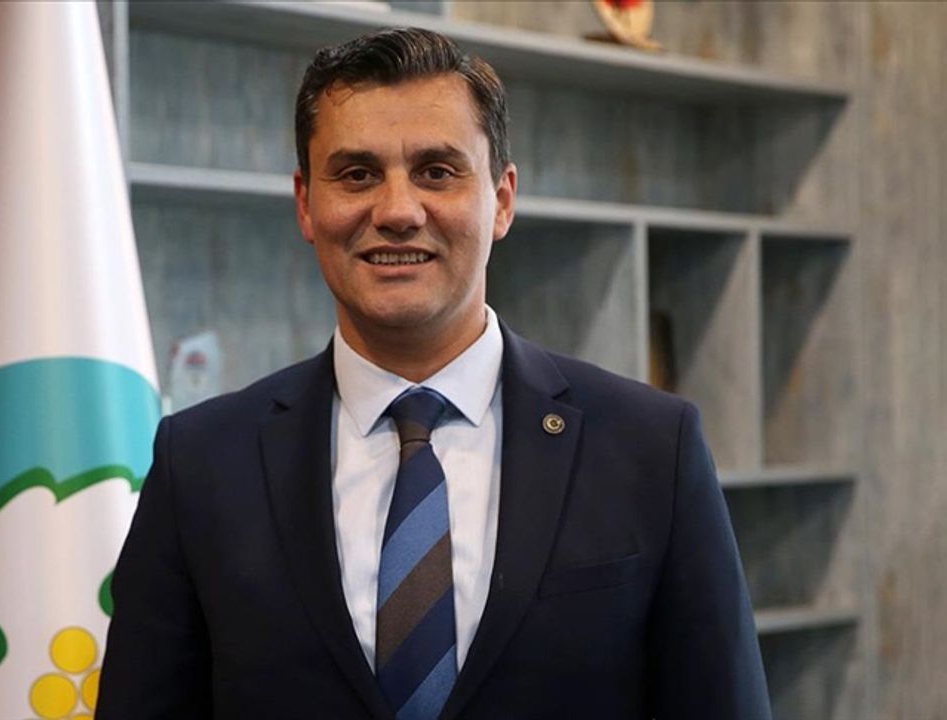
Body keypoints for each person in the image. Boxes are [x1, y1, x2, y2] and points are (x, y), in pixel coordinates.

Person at [97, 27, 770, 720]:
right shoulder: (201, 463)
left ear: (502, 200)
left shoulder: (652, 448)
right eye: (356, 174)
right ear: (305, 203)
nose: (397, 211)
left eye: (438, 171)